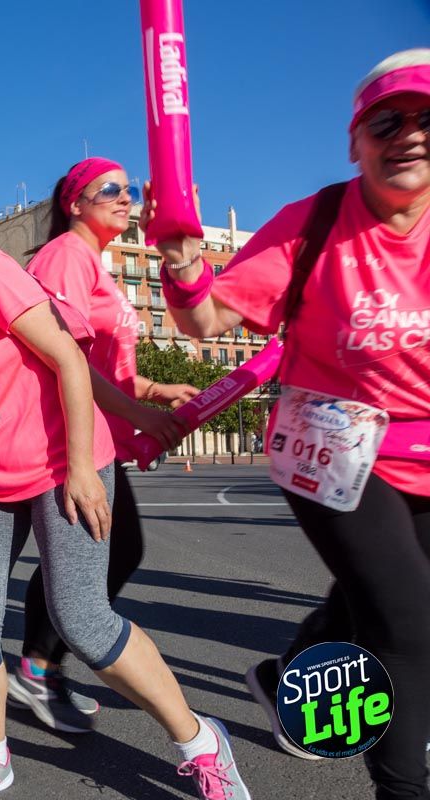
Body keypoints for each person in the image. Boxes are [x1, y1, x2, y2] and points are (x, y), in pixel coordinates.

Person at [0, 166, 250, 800]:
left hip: (60, 464)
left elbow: (66, 355)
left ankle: (200, 741)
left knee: (83, 619)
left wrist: (85, 467)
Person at [156, 49, 430, 799]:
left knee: (369, 598)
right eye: (386, 122)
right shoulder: (312, 222)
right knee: (408, 624)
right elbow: (203, 321)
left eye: (427, 119)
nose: (408, 135)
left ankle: (286, 678)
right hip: (334, 448)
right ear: (355, 141)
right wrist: (184, 266)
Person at [11, 158, 196, 733]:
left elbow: (105, 367)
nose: (125, 197)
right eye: (109, 189)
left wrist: (156, 389)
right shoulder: (66, 255)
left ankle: (39, 666)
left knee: (106, 553)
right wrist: (139, 412)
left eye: (128, 189)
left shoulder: (96, 264)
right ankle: (38, 667)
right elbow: (60, 355)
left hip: (98, 438)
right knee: (113, 550)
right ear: (74, 202)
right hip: (70, 440)